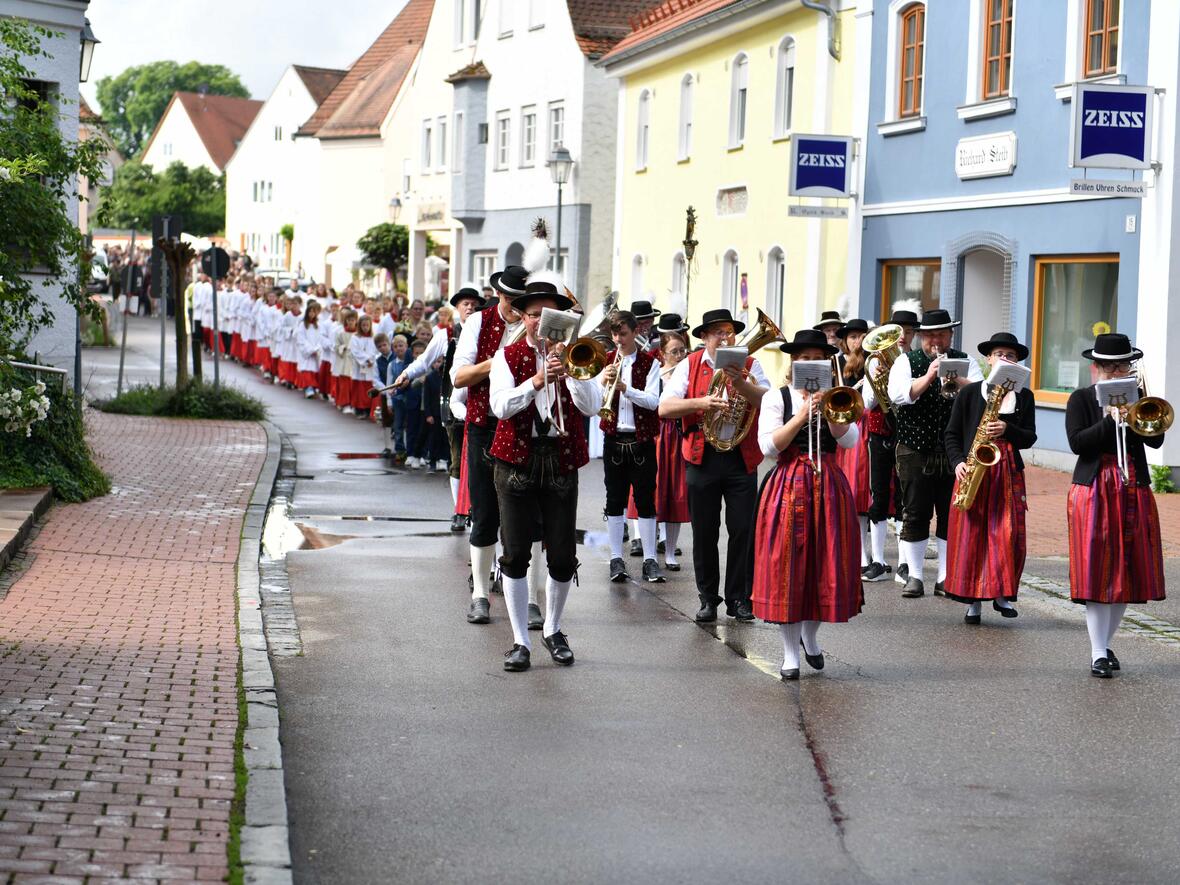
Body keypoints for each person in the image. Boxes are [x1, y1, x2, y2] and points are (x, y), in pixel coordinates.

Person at [489, 277, 601, 672]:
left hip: (559, 460)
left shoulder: (576, 353)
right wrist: (537, 381)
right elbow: (500, 407)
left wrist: (570, 375)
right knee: (516, 553)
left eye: (547, 315)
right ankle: (520, 640)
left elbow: (591, 407)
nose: (540, 322)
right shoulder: (508, 356)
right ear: (524, 317)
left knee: (562, 554)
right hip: (516, 461)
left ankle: (553, 629)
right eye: (534, 315)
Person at [752, 329, 863, 680]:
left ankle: (810, 638)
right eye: (803, 358)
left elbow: (851, 439)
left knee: (823, 566)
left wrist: (830, 412)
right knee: (788, 568)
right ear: (793, 362)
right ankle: (789, 653)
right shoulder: (776, 397)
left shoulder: (836, 395)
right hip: (788, 485)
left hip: (828, 485)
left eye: (817, 358)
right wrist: (800, 415)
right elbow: (769, 448)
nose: (810, 363)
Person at [1066, 333, 1167, 678]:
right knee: (1097, 570)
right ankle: (1096, 653)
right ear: (1095, 368)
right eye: (1107, 367)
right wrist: (1109, 420)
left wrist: (1137, 412)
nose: (1114, 372)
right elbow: (1078, 444)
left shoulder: (1139, 399)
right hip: (1093, 488)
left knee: (1128, 569)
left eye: (1121, 365)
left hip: (1133, 485)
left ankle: (1106, 645)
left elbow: (1156, 441)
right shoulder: (1080, 399)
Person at [659, 307, 769, 623]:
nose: (725, 337)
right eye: (718, 332)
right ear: (705, 337)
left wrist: (742, 384)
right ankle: (708, 598)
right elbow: (664, 407)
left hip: (740, 457)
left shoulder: (750, 364)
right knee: (705, 532)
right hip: (702, 456)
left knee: (742, 530)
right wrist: (701, 403)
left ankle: (739, 599)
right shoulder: (689, 365)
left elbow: (770, 401)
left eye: (729, 332)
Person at [887, 308, 984, 598]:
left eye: (941, 335)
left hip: (954, 451)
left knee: (949, 513)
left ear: (950, 335)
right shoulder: (907, 361)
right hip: (914, 448)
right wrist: (931, 375)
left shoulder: (966, 361)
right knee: (916, 512)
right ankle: (915, 576)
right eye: (930, 336)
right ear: (920, 337)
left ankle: (945, 576)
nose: (936, 341)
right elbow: (900, 396)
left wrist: (957, 379)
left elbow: (982, 395)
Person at [943, 332, 1037, 624]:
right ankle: (973, 601)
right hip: (973, 469)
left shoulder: (1024, 396)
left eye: (1010, 356)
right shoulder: (970, 393)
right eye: (999, 354)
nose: (1004, 360)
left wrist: (1007, 429)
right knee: (972, 535)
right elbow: (951, 433)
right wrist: (958, 462)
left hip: (1007, 472)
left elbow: (1030, 437)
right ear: (988, 359)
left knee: (1006, 533)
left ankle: (1001, 593)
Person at [452, 266, 528, 625]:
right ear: (499, 294)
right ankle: (480, 594)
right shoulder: (478, 323)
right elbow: (459, 376)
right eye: (511, 298)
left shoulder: (536, 324)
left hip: (521, 427)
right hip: (484, 426)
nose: (515, 305)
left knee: (524, 520)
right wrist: (497, 361)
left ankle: (525, 595)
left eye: (520, 299)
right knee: (484, 515)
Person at [392, 288, 487, 522]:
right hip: (452, 402)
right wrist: (406, 374)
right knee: (455, 457)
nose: (470, 307)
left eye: (475, 304)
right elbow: (424, 361)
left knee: (480, 461)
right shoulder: (445, 334)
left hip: (482, 403)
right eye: (466, 303)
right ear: (457, 307)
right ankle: (460, 510)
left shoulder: (486, 332)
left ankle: (479, 509)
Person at [599, 310, 664, 584]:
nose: (618, 340)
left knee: (645, 500)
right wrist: (603, 382)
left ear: (635, 332)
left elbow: (652, 401)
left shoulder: (650, 364)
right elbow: (594, 401)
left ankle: (650, 559)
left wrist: (625, 387)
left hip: (641, 442)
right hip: (614, 440)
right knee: (614, 501)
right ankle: (616, 558)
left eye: (623, 334)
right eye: (614, 334)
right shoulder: (604, 362)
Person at [861, 307, 920, 582]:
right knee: (879, 494)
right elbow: (867, 403)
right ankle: (879, 561)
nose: (903, 337)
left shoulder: (917, 360)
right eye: (899, 332)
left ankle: (905, 563)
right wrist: (878, 379)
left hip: (908, 432)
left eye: (908, 332)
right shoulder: (875, 361)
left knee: (906, 498)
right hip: (880, 433)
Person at [833, 319, 874, 577]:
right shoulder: (835, 362)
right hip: (840, 426)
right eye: (852, 337)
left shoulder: (871, 363)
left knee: (860, 492)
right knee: (841, 490)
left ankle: (863, 555)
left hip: (863, 426)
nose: (856, 341)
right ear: (845, 340)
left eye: (861, 336)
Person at [652, 315, 691, 571]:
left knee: (676, 492)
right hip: (657, 436)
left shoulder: (688, 374)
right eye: (674, 352)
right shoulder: (656, 374)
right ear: (662, 353)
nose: (679, 355)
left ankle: (670, 551)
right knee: (654, 491)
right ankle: (647, 546)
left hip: (679, 435)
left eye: (682, 351)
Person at [349, 314, 378, 419]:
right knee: (359, 388)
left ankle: (367, 409)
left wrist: (371, 360)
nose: (365, 327)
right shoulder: (355, 337)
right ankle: (359, 408)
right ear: (359, 326)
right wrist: (366, 359)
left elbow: (376, 351)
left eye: (367, 325)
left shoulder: (373, 338)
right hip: (359, 366)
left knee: (368, 387)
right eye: (363, 325)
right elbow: (355, 351)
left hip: (371, 367)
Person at [295, 301, 322, 398]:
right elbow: (301, 339)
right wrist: (310, 350)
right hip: (306, 352)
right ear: (307, 313)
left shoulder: (318, 325)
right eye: (310, 312)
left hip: (315, 352)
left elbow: (320, 339)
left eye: (313, 312)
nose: (312, 314)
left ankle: (313, 388)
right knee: (307, 370)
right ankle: (308, 388)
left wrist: (316, 349)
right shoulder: (302, 325)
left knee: (314, 370)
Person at [334, 310, 358, 414]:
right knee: (345, 384)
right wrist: (343, 348)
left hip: (355, 361)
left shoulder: (358, 334)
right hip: (344, 361)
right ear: (345, 321)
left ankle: (353, 404)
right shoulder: (341, 333)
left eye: (353, 320)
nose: (351, 322)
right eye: (349, 320)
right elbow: (336, 346)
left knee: (354, 384)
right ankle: (344, 403)